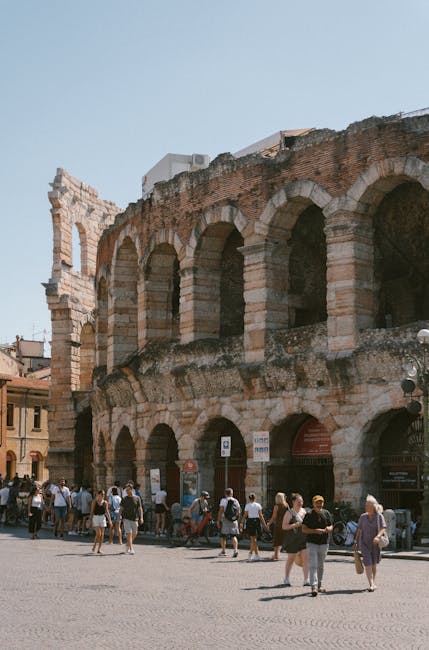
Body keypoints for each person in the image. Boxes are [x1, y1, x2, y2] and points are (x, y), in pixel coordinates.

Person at [354, 495, 387, 592]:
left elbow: (383, 528)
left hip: (375, 544)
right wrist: (356, 541)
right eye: (366, 505)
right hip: (364, 543)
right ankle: (371, 583)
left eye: (368, 505)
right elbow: (359, 529)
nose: (366, 507)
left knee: (373, 564)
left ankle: (373, 581)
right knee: (367, 562)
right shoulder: (363, 517)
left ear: (373, 506)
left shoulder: (379, 516)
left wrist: (378, 536)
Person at [302, 495, 333, 596]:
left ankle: (319, 585)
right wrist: (315, 531)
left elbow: (331, 525)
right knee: (313, 565)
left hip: (324, 542)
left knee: (321, 565)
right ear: (313, 504)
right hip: (312, 543)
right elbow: (303, 529)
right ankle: (314, 586)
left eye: (321, 502)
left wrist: (329, 528)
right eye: (317, 503)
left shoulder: (326, 513)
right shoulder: (309, 514)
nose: (319, 504)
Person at [282, 493, 309, 586]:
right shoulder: (289, 513)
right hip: (293, 540)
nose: (301, 503)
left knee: (306, 559)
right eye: (299, 501)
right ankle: (286, 578)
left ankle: (306, 580)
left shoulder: (304, 511)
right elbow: (284, 526)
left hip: (303, 539)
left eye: (302, 501)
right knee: (291, 559)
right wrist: (294, 525)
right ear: (293, 502)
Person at [240, 493, 269, 561]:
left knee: (253, 538)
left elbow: (245, 515)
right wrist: (264, 524)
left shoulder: (247, 505)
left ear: (249, 499)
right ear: (255, 498)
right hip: (257, 521)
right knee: (254, 538)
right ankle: (252, 554)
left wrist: (242, 522)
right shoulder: (258, 505)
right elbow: (261, 515)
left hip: (250, 521)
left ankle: (255, 554)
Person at [119, 484, 144, 554]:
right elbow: (121, 509)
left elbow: (140, 509)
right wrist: (119, 517)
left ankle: (128, 544)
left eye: (128, 490)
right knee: (128, 533)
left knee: (135, 533)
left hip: (135, 518)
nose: (126, 491)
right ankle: (131, 548)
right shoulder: (124, 499)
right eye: (126, 490)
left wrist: (141, 517)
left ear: (132, 490)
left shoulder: (137, 498)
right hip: (126, 518)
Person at [217, 487, 241, 558]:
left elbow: (221, 511)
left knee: (223, 536)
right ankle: (235, 550)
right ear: (232, 493)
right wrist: (236, 519)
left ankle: (223, 551)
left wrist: (218, 520)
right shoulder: (236, 501)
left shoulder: (223, 500)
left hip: (225, 519)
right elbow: (238, 512)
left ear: (225, 494)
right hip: (234, 520)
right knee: (233, 536)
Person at [266, 492, 288, 561]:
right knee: (284, 538)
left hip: (278, 525)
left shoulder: (276, 506)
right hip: (285, 524)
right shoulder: (286, 505)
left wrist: (269, 523)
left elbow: (274, 517)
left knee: (277, 540)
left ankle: (276, 555)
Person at [89, 490, 112, 554]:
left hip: (102, 518)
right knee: (98, 533)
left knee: (102, 535)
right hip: (96, 517)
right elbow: (91, 511)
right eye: (102, 494)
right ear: (98, 494)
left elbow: (107, 512)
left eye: (104, 494)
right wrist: (90, 520)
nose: (103, 495)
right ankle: (94, 545)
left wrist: (110, 520)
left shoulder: (105, 503)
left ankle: (99, 549)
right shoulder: (94, 502)